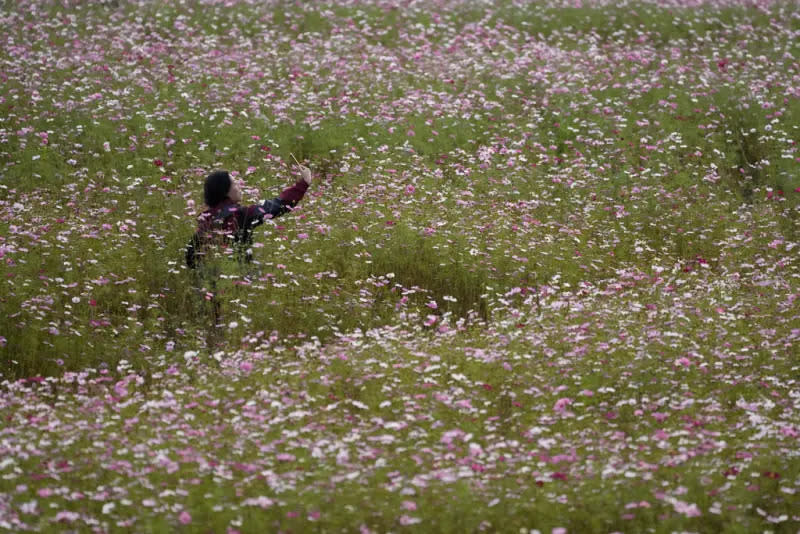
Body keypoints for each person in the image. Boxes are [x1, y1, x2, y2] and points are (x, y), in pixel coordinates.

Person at [186, 164, 312, 268]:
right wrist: (304, 183)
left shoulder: (205, 219)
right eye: (235, 184)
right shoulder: (240, 215)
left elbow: (191, 259)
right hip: (239, 279)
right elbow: (277, 206)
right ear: (225, 191)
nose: (239, 187)